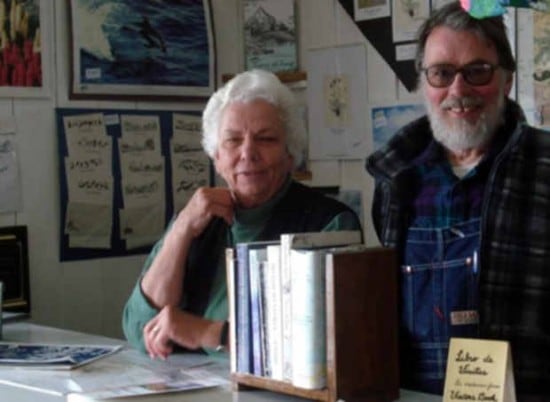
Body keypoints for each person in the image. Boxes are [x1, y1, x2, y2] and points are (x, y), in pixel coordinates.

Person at [366, 2, 549, 399]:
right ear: (423, 84)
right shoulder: (395, 179)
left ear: (506, 80)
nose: (458, 90)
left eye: (477, 71)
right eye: (442, 73)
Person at [123, 69, 363, 360]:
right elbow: (139, 329)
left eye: (266, 139)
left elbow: (320, 346)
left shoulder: (329, 224)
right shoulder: (196, 217)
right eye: (233, 140)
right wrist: (182, 229)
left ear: (290, 154)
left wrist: (208, 333)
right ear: (216, 156)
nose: (248, 153)